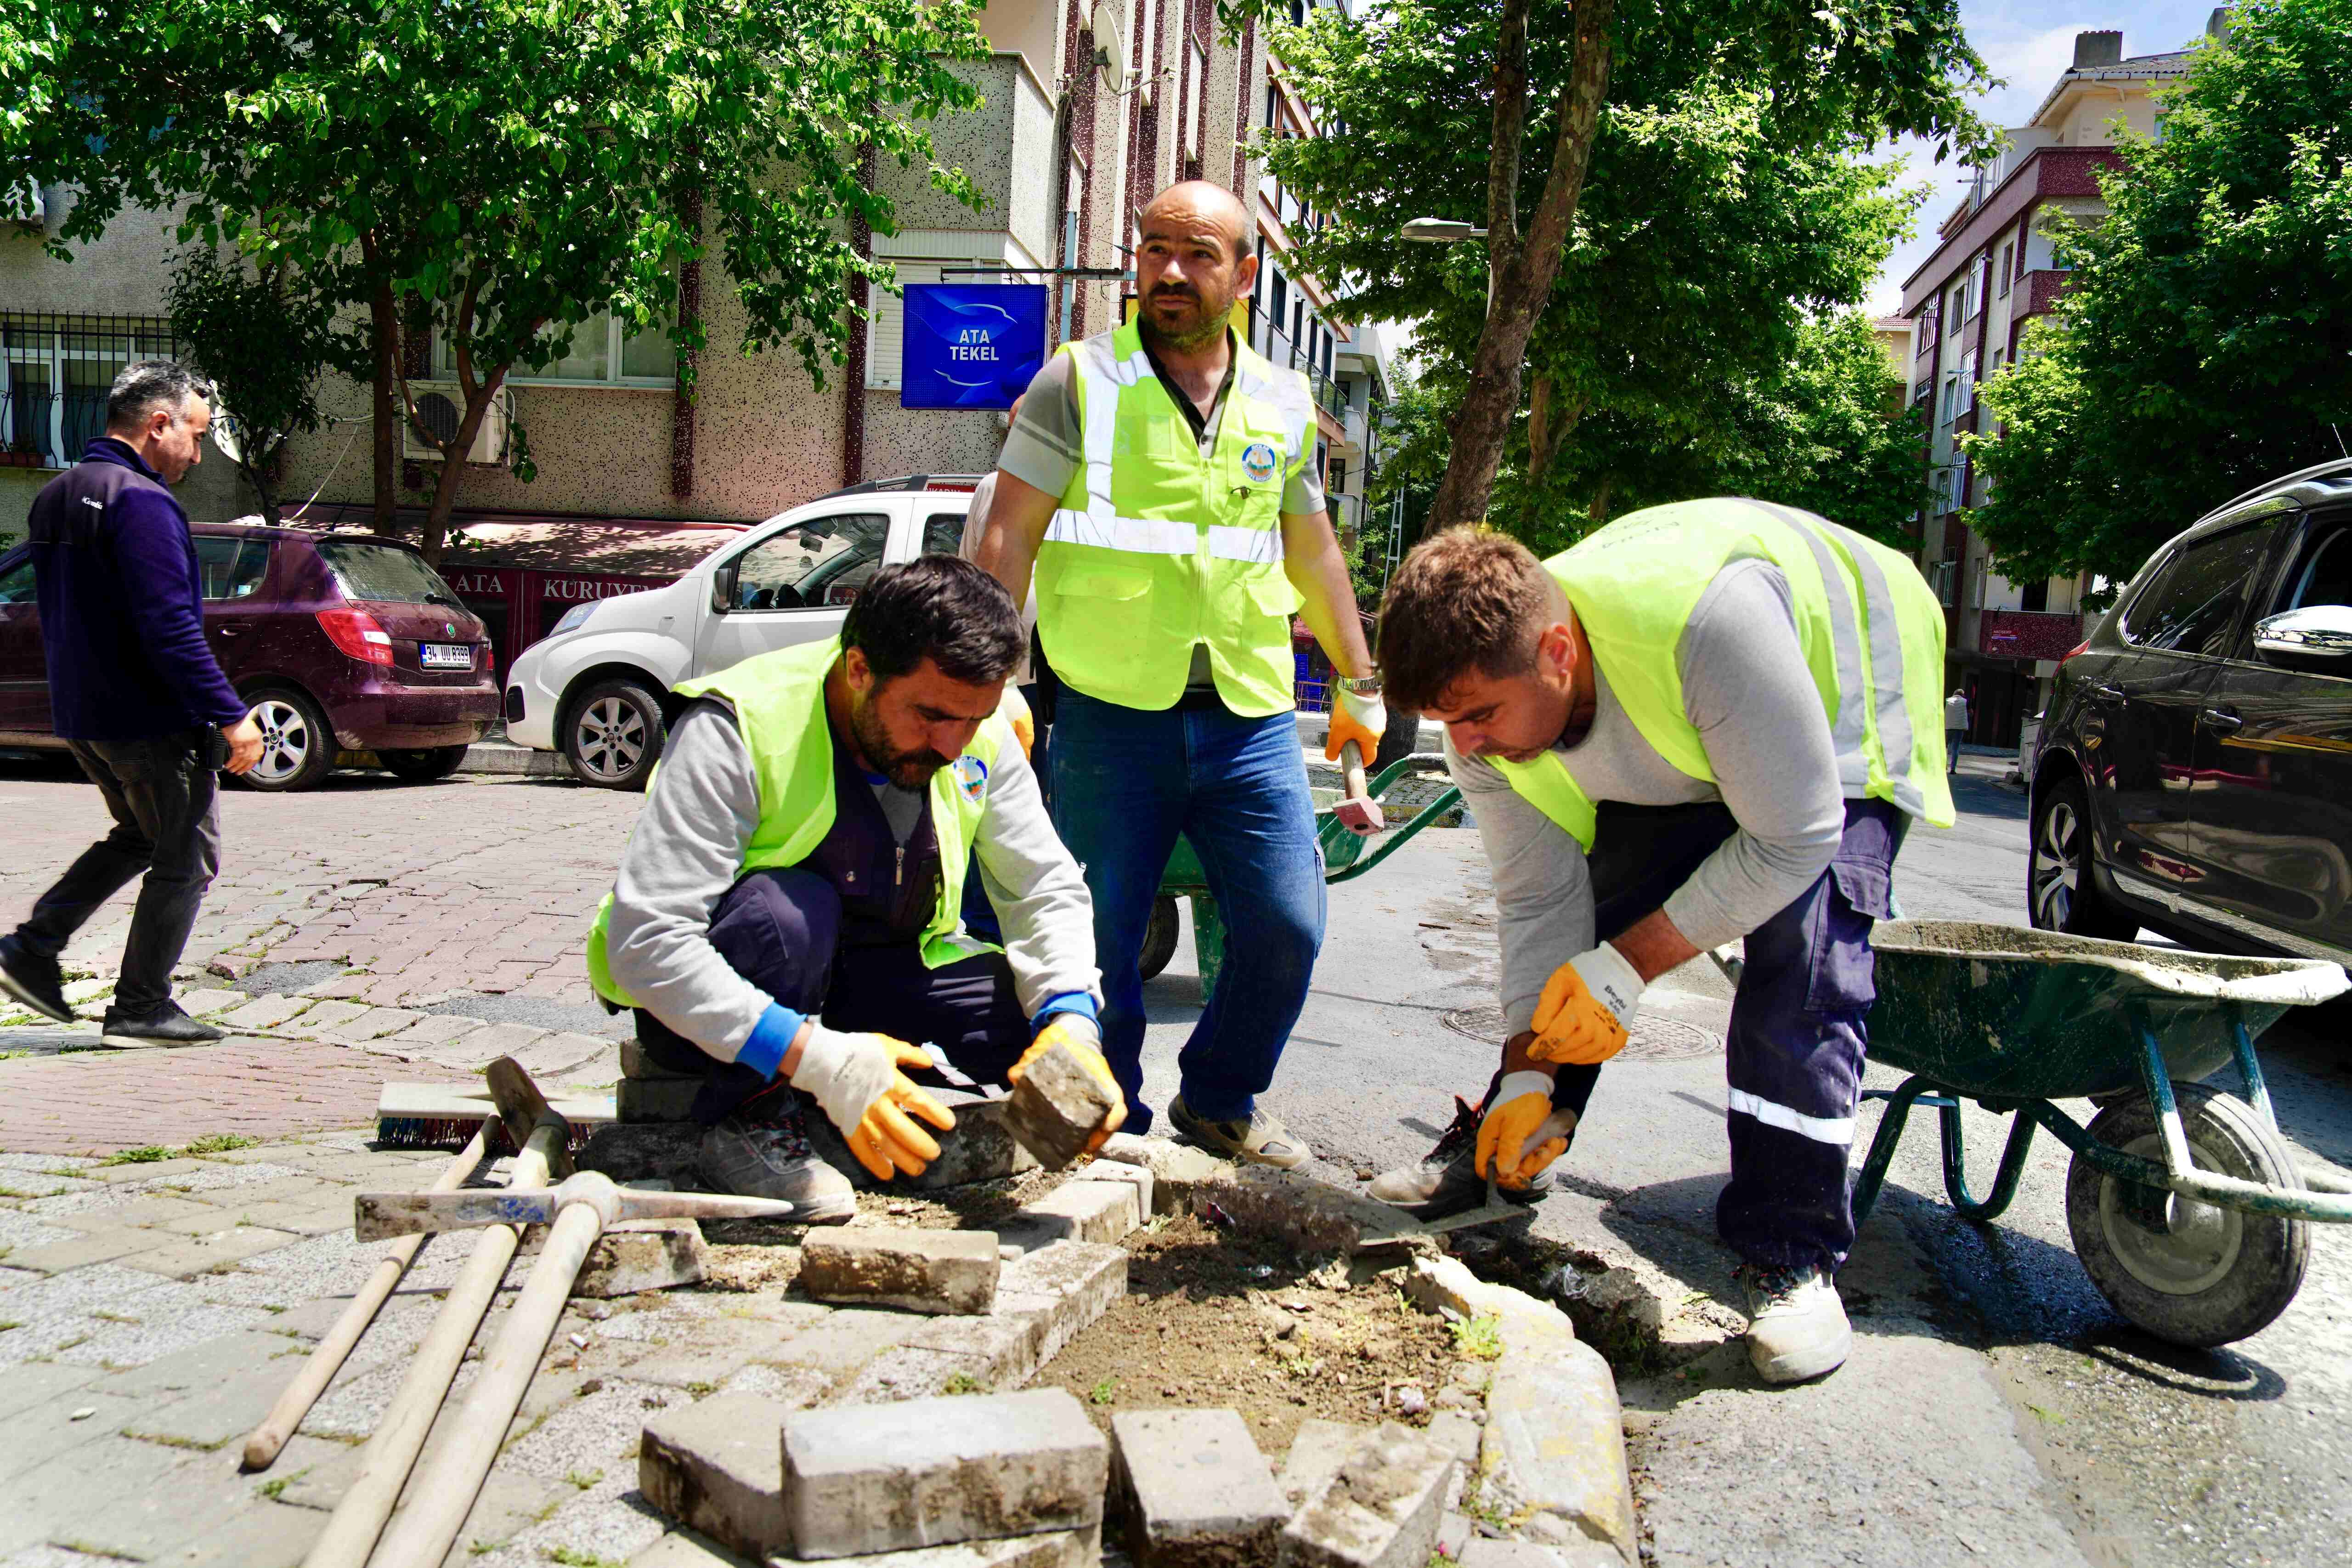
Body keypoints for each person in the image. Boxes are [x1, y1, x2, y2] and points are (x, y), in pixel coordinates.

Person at [1366, 505, 1952, 1383]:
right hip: (1691, 714)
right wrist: (1530, 1064)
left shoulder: (1708, 629)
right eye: (1451, 724)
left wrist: (1631, 965)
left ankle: (1793, 1252)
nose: (1468, 746)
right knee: (1610, 913)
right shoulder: (1489, 713)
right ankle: (1510, 1143)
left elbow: (1793, 839)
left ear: (1557, 652)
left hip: (1840, 708)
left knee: (1802, 961)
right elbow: (1540, 897)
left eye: (1481, 715)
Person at [974, 179, 1382, 1167]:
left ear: (1245, 276)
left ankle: (1220, 1099)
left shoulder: (1284, 400)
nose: (1168, 271)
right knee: (1099, 938)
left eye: (1198, 255)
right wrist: (987, 691)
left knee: (1287, 920)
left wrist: (1360, 685)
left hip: (1247, 715)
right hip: (1111, 716)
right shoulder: (1079, 380)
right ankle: (1108, 1121)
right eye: (1154, 248)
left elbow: (1313, 555)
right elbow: (1006, 535)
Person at [585, 555, 1115, 1219]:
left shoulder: (973, 726)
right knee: (790, 919)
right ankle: (749, 1121)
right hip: (738, 980)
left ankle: (832, 1097)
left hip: (864, 979)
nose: (953, 747)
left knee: (1028, 1010)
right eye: (929, 717)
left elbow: (1042, 886)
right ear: (860, 670)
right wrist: (819, 1060)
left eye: (972, 721)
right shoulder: (739, 725)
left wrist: (1073, 1027)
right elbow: (648, 942)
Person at [0, 362, 263, 1045]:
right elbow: (169, 626)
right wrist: (232, 715)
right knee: (185, 854)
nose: (198, 454)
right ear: (159, 424)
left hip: (84, 715)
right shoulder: (143, 502)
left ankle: (32, 947)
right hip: (147, 718)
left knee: (141, 836)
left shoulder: (60, 493)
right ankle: (142, 1005)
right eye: (196, 436)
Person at [1944, 688, 1970, 775]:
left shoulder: (1947, 701)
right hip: (1959, 729)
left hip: (1948, 728)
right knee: (1956, 748)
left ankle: (1943, 766)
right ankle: (1953, 769)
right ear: (1963, 695)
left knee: (1945, 747)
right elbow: (1971, 713)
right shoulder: (1965, 702)